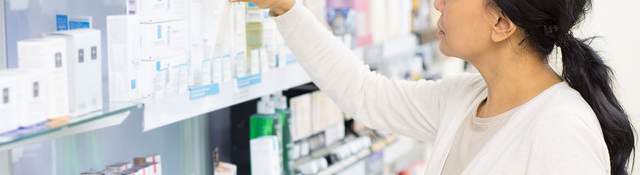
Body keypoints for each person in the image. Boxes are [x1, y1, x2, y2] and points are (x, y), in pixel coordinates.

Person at [238, 0, 635, 174]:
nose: (438, 4)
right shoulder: (464, 99)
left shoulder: (560, 130)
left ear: (502, 23)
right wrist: (285, 8)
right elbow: (363, 93)